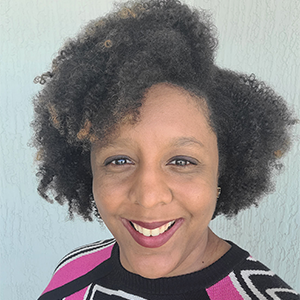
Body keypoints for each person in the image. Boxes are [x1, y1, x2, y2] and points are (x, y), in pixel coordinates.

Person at [32, 0, 299, 299]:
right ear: (88, 169)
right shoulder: (72, 271)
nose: (148, 197)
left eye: (182, 161)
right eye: (119, 160)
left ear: (221, 174)